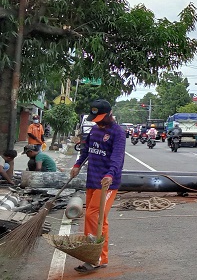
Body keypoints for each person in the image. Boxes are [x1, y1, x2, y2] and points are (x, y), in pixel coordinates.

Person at [69, 99, 125, 273]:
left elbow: (117, 158)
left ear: (110, 114)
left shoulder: (118, 133)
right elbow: (86, 151)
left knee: (94, 215)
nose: (98, 122)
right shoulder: (94, 129)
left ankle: (96, 258)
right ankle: (96, 255)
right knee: (93, 217)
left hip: (107, 183)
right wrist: (77, 165)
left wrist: (110, 174)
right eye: (96, 119)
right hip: (92, 180)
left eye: (101, 118)